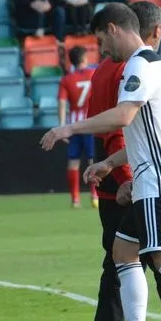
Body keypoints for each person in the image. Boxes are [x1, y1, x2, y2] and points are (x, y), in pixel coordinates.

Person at [41, 3, 161, 321]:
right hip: (156, 176)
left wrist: (69, 127)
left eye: (102, 40)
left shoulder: (139, 66)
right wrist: (109, 162)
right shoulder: (159, 66)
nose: (102, 49)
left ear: (114, 29)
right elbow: (146, 133)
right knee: (123, 251)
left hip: (156, 181)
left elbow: (123, 116)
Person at [58, 46, 99, 208]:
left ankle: (75, 199)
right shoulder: (94, 74)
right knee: (92, 160)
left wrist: (62, 126)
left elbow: (62, 103)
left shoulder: (66, 79)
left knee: (73, 161)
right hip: (91, 123)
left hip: (74, 125)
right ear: (84, 58)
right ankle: (95, 195)